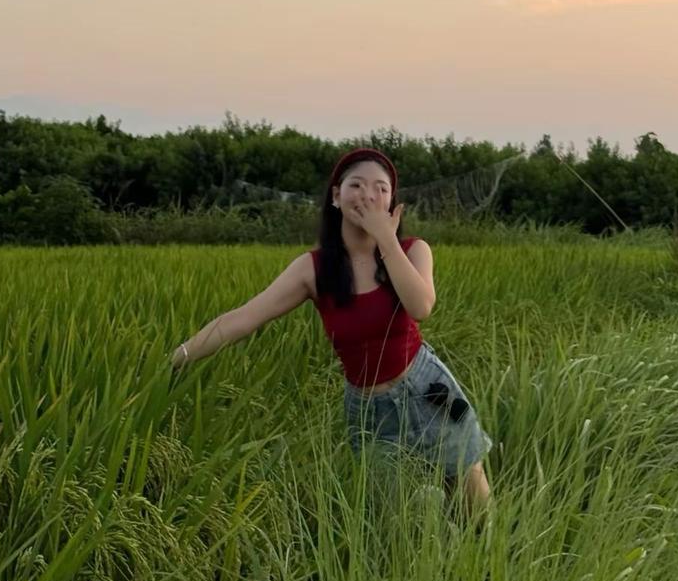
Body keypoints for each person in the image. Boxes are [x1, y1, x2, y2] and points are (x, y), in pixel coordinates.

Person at [170, 146, 493, 528]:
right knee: (400, 523)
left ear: (392, 202)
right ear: (336, 197)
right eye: (356, 185)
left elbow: (420, 306)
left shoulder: (413, 250)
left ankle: (485, 570)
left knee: (476, 508)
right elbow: (245, 317)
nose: (368, 196)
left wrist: (385, 241)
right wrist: (181, 355)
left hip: (428, 391)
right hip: (370, 411)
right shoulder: (314, 269)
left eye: (380, 188)